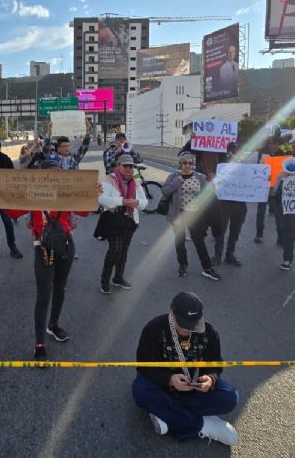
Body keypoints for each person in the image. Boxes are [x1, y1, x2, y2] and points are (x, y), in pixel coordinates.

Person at [2, 159, 96, 361]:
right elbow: (13, 212)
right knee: (44, 295)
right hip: (43, 249)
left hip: (66, 246)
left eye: (58, 174)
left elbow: (84, 211)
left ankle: (53, 325)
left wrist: (93, 194)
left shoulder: (67, 193)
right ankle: (39, 344)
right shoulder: (33, 195)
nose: (55, 178)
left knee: (60, 288)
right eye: (50, 174)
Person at [132, 292, 239, 445]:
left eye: (194, 325)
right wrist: (169, 380)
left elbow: (215, 363)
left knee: (230, 397)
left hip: (193, 387)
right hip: (161, 385)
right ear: (172, 312)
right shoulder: (154, 328)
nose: (189, 331)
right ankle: (202, 424)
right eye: (184, 325)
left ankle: (167, 414)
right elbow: (144, 366)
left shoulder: (209, 332)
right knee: (141, 392)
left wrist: (210, 378)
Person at [162, 153, 220, 280]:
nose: (188, 165)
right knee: (180, 241)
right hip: (178, 213)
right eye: (185, 163)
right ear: (180, 164)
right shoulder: (173, 176)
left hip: (194, 213)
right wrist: (177, 181)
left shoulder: (200, 177)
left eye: (190, 163)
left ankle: (207, 268)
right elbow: (165, 192)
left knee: (199, 240)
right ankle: (182, 265)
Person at [98, 154, 149, 294]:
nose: (128, 168)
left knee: (123, 250)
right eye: (125, 165)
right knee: (115, 249)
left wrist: (138, 203)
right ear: (118, 166)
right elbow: (101, 199)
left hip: (130, 220)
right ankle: (104, 280)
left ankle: (118, 277)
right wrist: (122, 201)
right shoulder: (109, 179)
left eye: (131, 166)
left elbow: (145, 202)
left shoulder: (135, 181)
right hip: (113, 220)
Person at [212, 142, 248, 266]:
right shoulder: (221, 166)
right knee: (221, 230)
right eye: (232, 151)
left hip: (240, 204)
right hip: (224, 204)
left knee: (235, 231)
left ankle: (230, 254)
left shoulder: (245, 167)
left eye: (237, 150)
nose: (235, 153)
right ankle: (217, 255)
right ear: (228, 152)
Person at [255, 138, 285, 244]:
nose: (276, 146)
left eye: (277, 144)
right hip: (264, 188)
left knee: (279, 213)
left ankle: (281, 237)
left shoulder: (282, 154)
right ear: (268, 145)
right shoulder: (262, 155)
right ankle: (259, 234)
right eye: (273, 144)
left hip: (277, 188)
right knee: (261, 211)